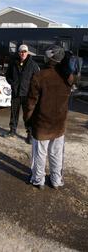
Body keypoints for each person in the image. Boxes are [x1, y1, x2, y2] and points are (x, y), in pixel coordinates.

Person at [23, 45, 73, 190]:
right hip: (59, 125)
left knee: (40, 154)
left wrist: (28, 121)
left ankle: (38, 180)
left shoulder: (40, 76)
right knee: (56, 154)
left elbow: (30, 103)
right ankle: (56, 180)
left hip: (42, 125)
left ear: (49, 58)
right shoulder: (67, 77)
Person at [5, 44, 39, 142]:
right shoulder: (13, 63)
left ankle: (29, 134)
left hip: (27, 94)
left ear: (27, 52)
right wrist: (13, 84)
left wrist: (32, 90)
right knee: (14, 113)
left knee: (27, 115)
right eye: (21, 51)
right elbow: (8, 76)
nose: (22, 53)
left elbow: (37, 80)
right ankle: (12, 130)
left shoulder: (33, 65)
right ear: (18, 52)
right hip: (16, 93)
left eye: (24, 51)